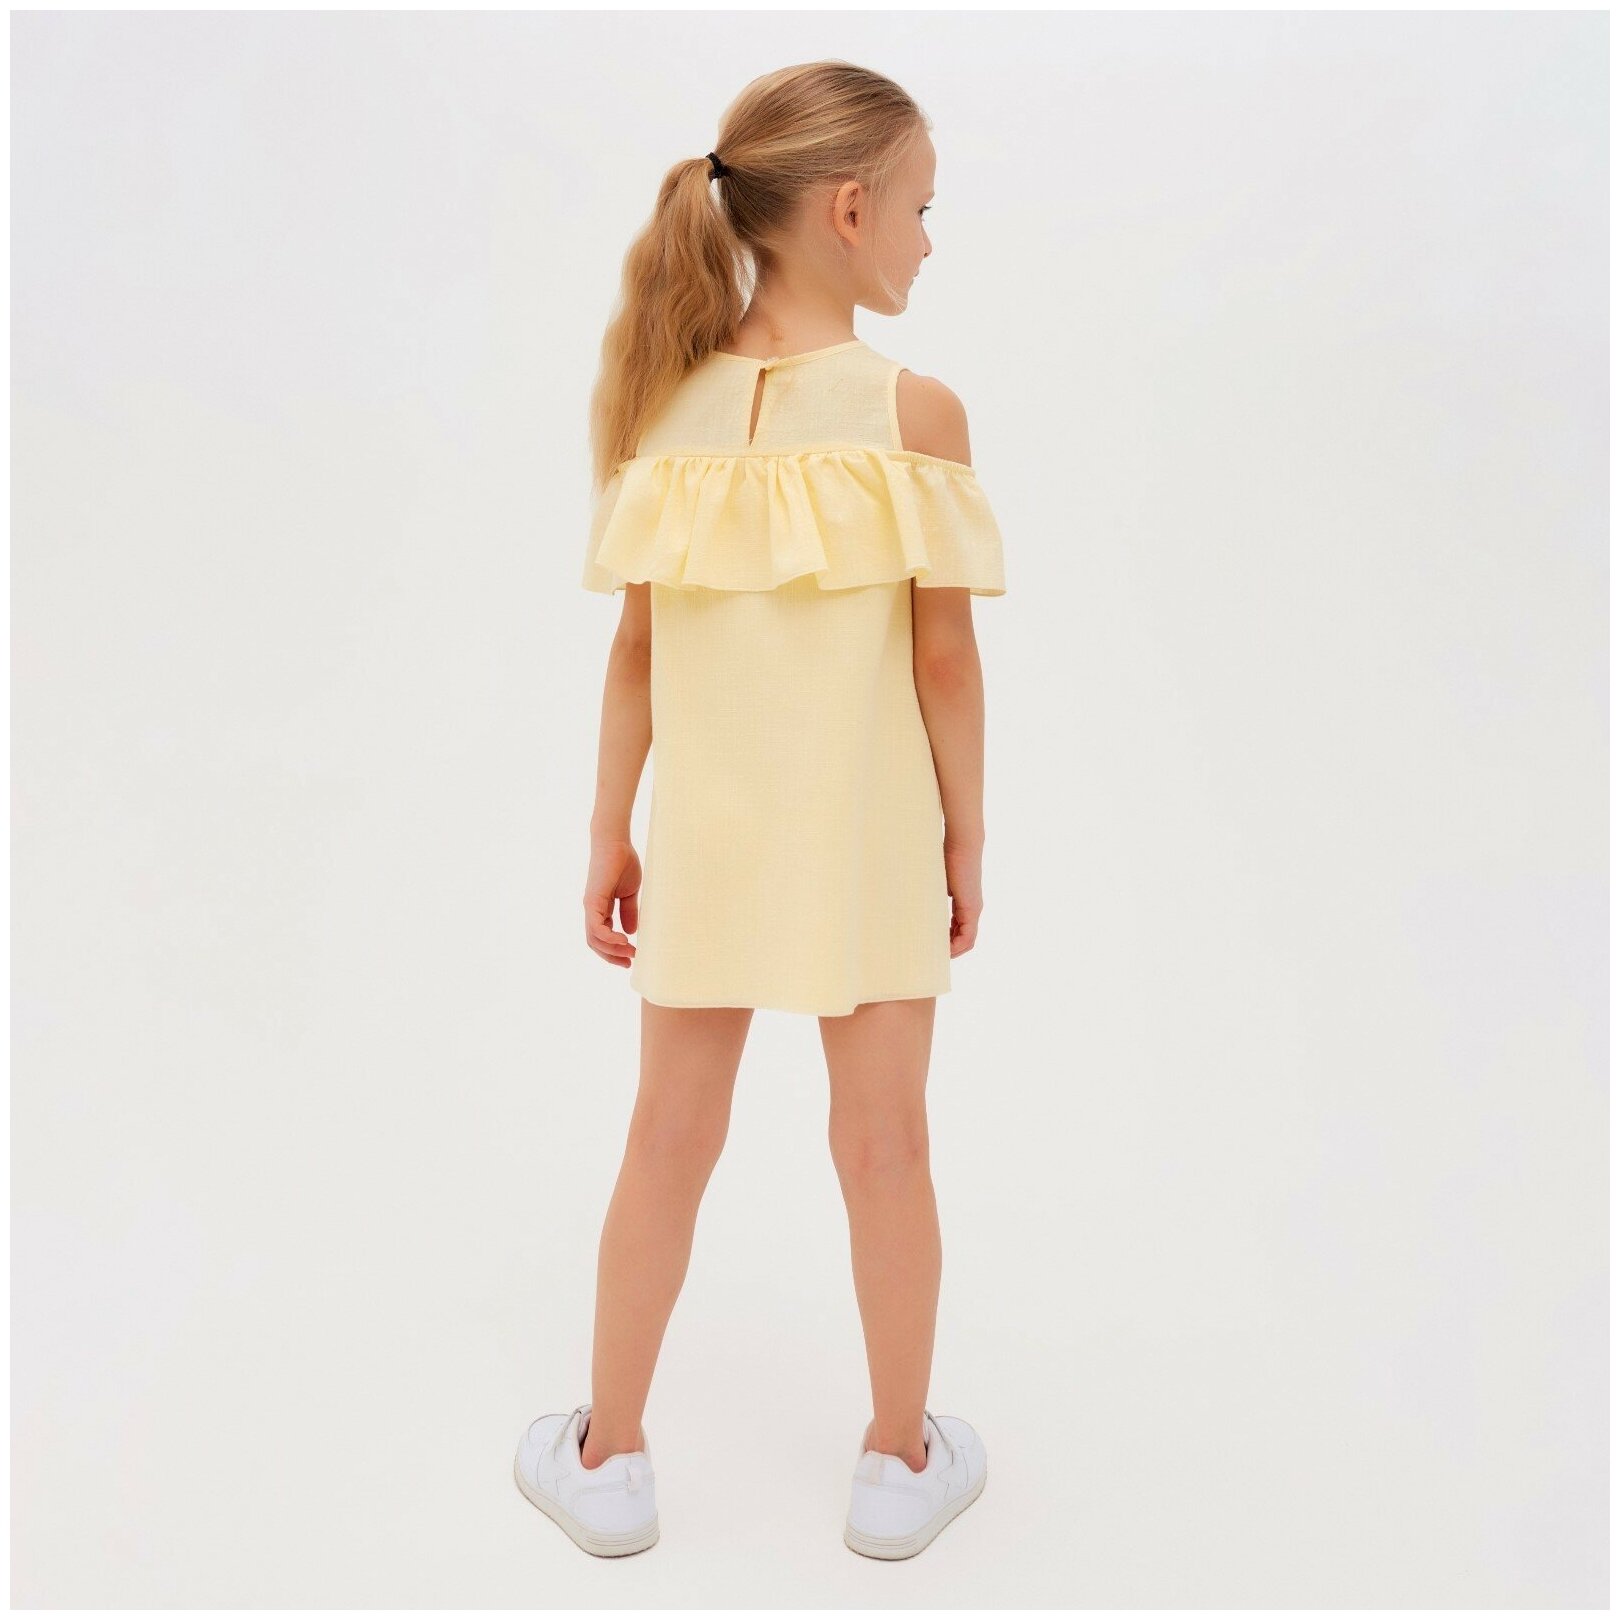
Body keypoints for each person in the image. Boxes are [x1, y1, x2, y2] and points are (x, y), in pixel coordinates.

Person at [513, 59, 1005, 1562]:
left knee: (666, 1137)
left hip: (712, 839)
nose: (929, 238)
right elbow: (942, 659)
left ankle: (606, 1456)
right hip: (868, 838)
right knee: (887, 1146)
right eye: (922, 209)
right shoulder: (914, 413)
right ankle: (898, 1461)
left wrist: (610, 827)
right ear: (850, 210)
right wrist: (964, 835)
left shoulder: (667, 405)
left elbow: (637, 654)